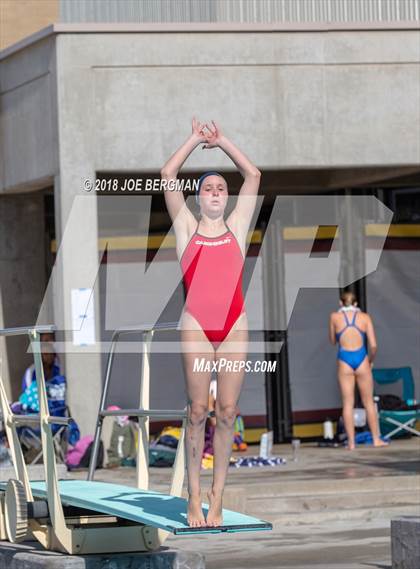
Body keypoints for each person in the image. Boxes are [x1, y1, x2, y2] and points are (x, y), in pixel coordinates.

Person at [161, 118, 260, 527]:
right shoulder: (187, 227)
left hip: (234, 323)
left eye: (221, 188)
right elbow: (168, 174)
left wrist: (221, 142)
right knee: (198, 410)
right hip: (197, 324)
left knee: (228, 410)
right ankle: (194, 497)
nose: (216, 193)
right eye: (208, 188)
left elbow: (252, 174)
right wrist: (193, 140)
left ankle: (218, 497)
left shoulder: (238, 226)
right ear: (199, 198)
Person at [329, 291, 388, 450]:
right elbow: (374, 346)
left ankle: (352, 443)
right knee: (368, 402)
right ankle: (376, 439)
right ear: (356, 304)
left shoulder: (335, 317)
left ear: (341, 303)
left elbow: (333, 340)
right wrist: (370, 361)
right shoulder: (365, 317)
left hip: (344, 360)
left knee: (348, 403)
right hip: (362, 359)